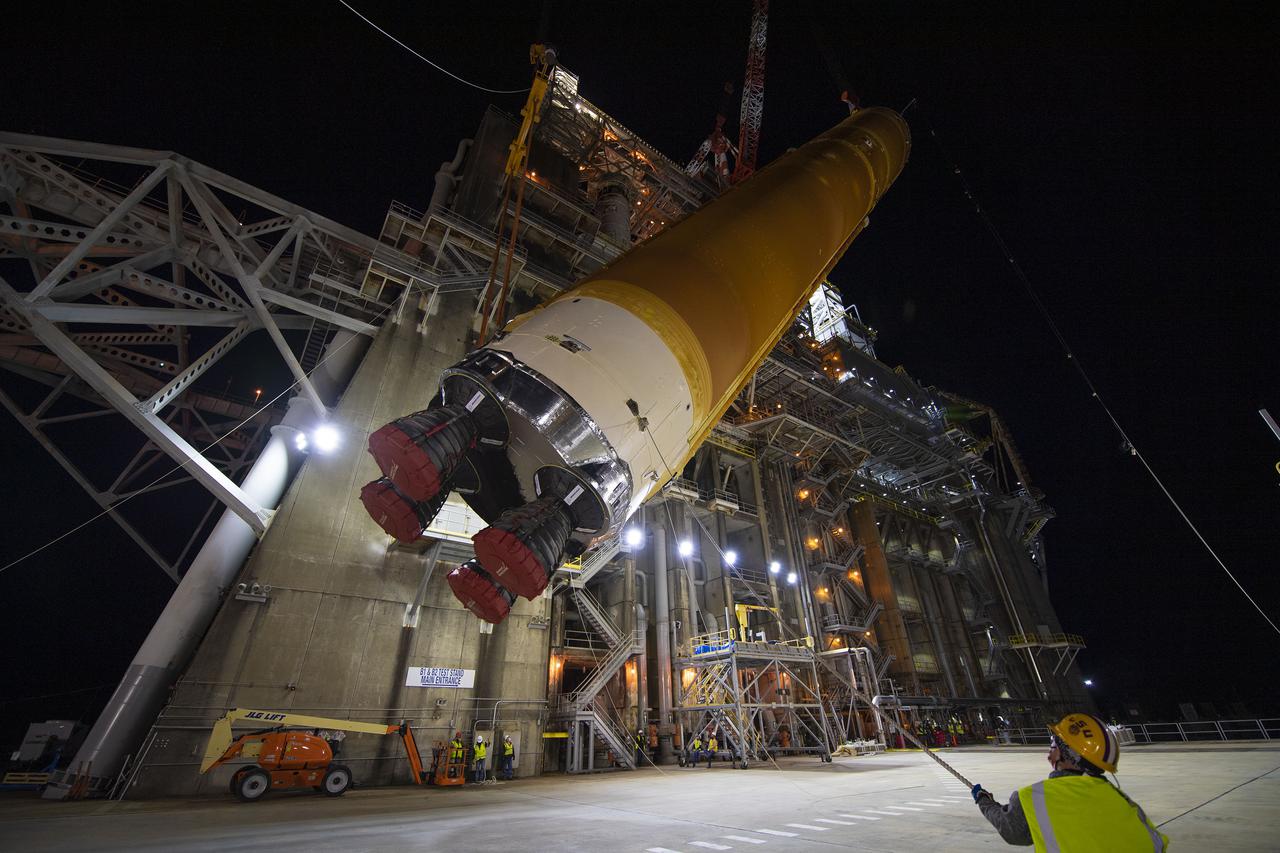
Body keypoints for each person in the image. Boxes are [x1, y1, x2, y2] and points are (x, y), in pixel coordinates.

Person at [971, 713, 1168, 851]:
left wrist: (984, 800)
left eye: (1053, 746)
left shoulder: (1033, 797)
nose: (1049, 755)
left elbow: (1012, 832)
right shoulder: (1119, 798)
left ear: (1069, 754)